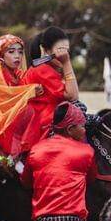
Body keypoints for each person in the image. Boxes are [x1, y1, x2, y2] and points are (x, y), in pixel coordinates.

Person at [20, 101, 95, 221]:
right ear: (70, 129)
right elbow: (92, 179)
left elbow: (26, 182)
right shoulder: (86, 152)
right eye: (81, 125)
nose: (85, 129)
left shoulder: (36, 149)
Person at [0, 34, 41, 157]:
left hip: (9, 117)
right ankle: (15, 158)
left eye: (20, 52)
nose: (17, 56)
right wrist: (30, 91)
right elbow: (7, 97)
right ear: (1, 55)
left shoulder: (16, 73)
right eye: (11, 52)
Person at [21, 26, 81, 154]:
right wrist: (66, 63)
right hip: (45, 125)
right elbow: (72, 95)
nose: (64, 54)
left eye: (66, 50)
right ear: (47, 50)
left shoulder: (47, 69)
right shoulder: (42, 69)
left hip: (49, 120)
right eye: (60, 50)